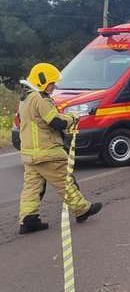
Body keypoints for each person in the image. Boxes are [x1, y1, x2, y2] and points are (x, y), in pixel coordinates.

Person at [17, 63, 102, 234]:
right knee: (65, 182)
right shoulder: (40, 99)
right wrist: (72, 118)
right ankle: (82, 210)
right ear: (42, 82)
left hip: (30, 153)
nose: (54, 87)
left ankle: (28, 219)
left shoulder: (25, 98)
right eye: (52, 83)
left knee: (32, 188)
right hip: (47, 152)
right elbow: (56, 122)